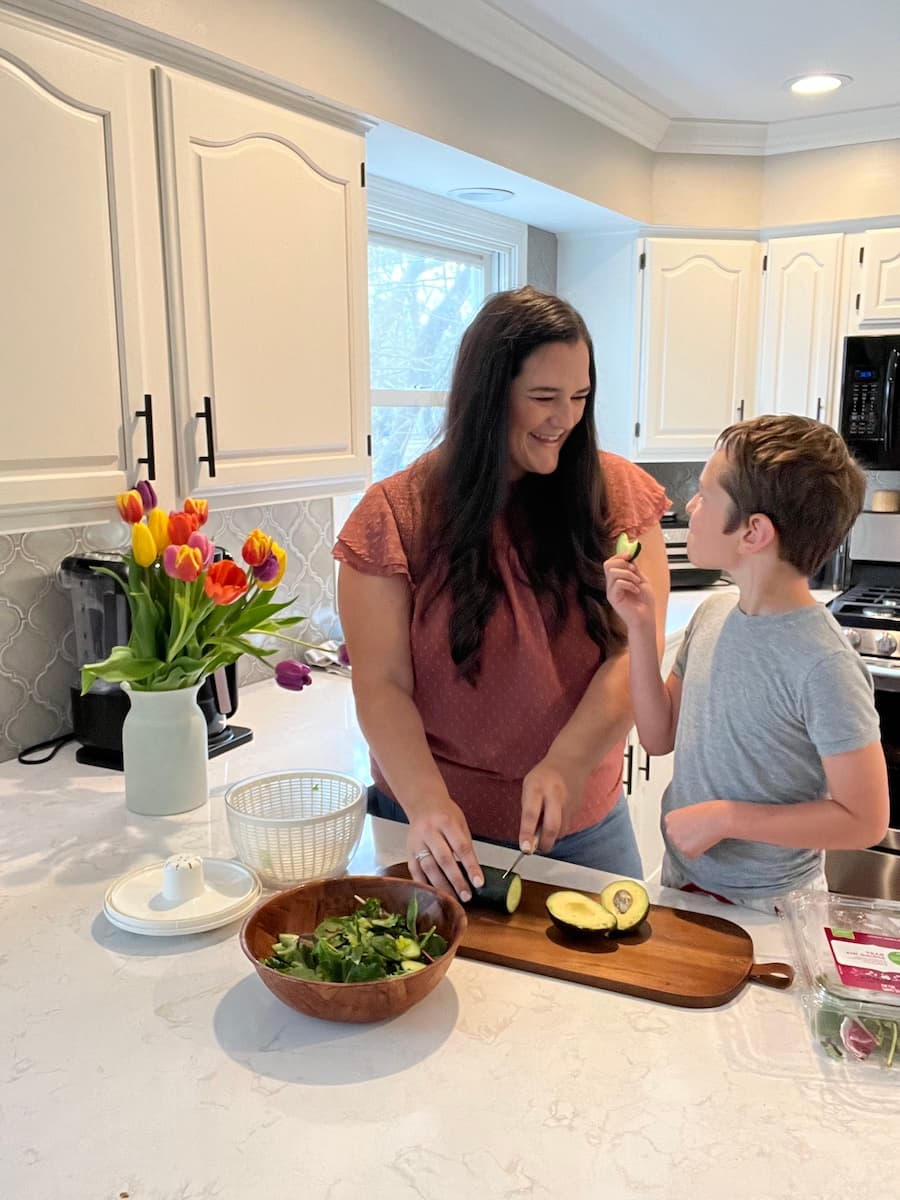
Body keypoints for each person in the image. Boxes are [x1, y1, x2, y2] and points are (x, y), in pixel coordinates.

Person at [334, 286, 670, 900]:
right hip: (430, 835)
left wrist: (568, 761)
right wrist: (428, 803)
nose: (564, 419)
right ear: (488, 397)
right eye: (543, 397)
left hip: (586, 830)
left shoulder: (617, 496)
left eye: (579, 397)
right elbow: (380, 685)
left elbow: (633, 653)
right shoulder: (395, 517)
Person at [604, 414, 889, 913]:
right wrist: (641, 627)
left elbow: (865, 818)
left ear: (753, 532)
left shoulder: (824, 664)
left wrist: (729, 818)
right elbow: (657, 736)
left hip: (772, 906)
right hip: (684, 882)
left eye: (706, 495)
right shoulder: (714, 616)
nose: (689, 506)